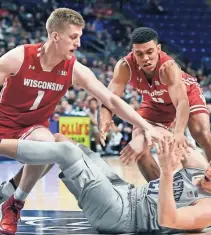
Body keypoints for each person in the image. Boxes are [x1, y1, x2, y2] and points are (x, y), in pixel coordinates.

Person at [0, 8, 162, 235]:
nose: (78, 43)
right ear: (55, 36)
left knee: (49, 144)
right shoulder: (19, 57)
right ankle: (11, 188)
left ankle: (15, 202)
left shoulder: (74, 69)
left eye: (80, 37)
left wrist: (147, 126)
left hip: (31, 129)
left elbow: (111, 100)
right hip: (2, 124)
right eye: (73, 37)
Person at [99, 27, 211, 219]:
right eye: (139, 54)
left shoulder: (168, 67)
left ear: (158, 49)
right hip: (154, 102)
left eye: (150, 52)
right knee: (140, 149)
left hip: (185, 94)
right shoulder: (125, 66)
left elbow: (181, 103)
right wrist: (105, 118)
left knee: (200, 132)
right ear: (133, 53)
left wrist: (179, 132)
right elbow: (109, 98)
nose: (146, 58)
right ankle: (165, 197)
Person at [0, 129, 211, 233]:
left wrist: (168, 172)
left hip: (121, 216)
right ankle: (7, 192)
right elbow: (169, 132)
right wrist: (144, 137)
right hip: (124, 191)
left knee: (67, 153)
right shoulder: (199, 169)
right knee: (60, 138)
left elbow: (168, 220)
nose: (209, 172)